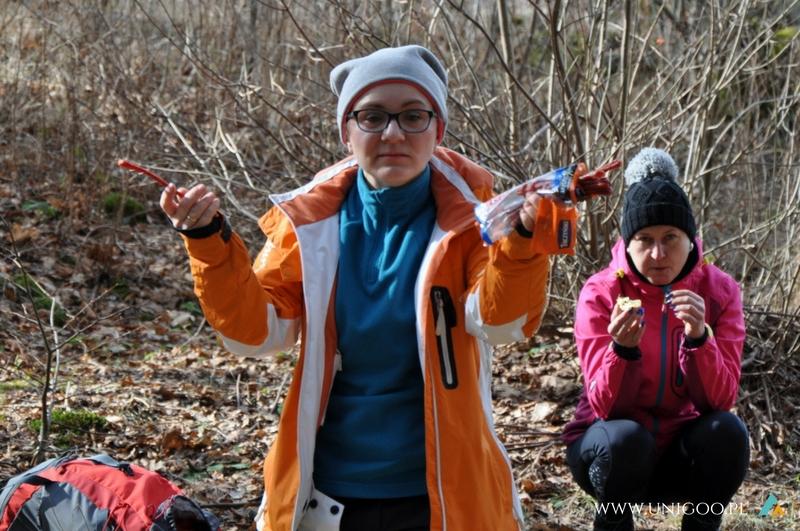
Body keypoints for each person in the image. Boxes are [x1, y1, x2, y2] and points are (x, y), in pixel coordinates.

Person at [158, 45, 578, 531]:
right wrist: (207, 242)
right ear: (346, 131)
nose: (393, 133)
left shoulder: (473, 220)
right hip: (328, 491)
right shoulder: (310, 223)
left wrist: (522, 243)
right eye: (373, 117)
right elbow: (257, 333)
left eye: (413, 116)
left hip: (442, 493)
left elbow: (502, 324)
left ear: (438, 129)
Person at [562, 148, 749, 531]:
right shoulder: (601, 293)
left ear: (690, 239)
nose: (658, 253)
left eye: (671, 237)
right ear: (627, 243)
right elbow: (605, 407)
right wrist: (621, 351)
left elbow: (720, 401)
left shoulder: (720, 292)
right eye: (644, 239)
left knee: (729, 433)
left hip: (681, 453)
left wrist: (699, 340)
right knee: (627, 440)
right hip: (611, 450)